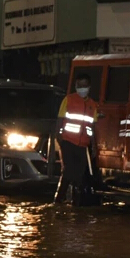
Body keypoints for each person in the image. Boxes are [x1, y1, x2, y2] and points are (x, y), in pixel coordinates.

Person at [54, 73, 97, 204]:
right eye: (79, 86)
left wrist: (94, 145)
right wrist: (59, 138)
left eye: (84, 86)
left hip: (83, 146)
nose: (82, 88)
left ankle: (75, 205)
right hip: (68, 142)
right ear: (75, 86)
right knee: (68, 173)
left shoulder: (92, 105)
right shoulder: (69, 100)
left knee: (79, 177)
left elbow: (92, 127)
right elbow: (60, 121)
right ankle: (58, 201)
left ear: (89, 87)